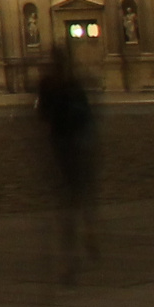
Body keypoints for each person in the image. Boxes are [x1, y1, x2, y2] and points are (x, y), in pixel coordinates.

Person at [35, 43, 99, 282]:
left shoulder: (48, 86)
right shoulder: (74, 85)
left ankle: (67, 261)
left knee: (66, 206)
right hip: (77, 146)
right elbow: (88, 117)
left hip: (60, 148)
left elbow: (41, 117)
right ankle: (88, 231)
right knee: (80, 198)